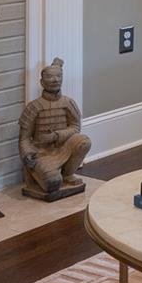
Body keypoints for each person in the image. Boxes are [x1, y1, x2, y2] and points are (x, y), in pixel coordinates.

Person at [19, 57, 91, 200]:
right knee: (53, 183)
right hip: (42, 154)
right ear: (41, 82)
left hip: (63, 147)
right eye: (50, 77)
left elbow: (75, 127)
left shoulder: (68, 103)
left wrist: (57, 136)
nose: (55, 80)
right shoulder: (34, 107)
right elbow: (25, 138)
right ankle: (51, 175)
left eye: (58, 76)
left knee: (83, 141)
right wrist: (27, 154)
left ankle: (68, 174)